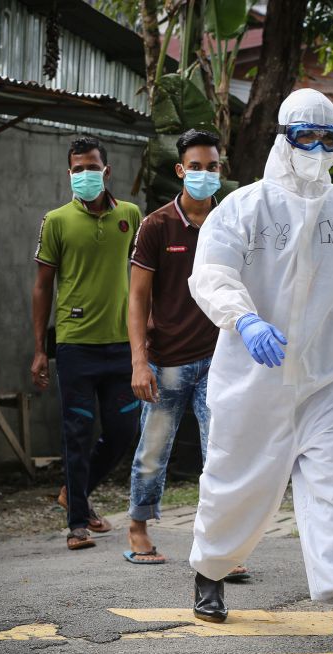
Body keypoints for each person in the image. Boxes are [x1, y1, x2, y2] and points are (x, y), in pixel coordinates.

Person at [186, 88, 333, 650]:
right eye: (308, 136)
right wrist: (245, 320)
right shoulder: (243, 207)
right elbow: (212, 274)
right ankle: (210, 574)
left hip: (329, 378)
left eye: (332, 139)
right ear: (284, 138)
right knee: (237, 480)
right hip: (253, 377)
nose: (320, 148)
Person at [123, 129, 250, 580]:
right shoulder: (157, 225)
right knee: (153, 450)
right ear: (180, 170)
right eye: (195, 167)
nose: (203, 174)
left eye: (211, 166)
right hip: (166, 362)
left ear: (221, 170)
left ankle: (222, 546)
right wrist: (140, 361)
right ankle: (138, 528)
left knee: (223, 453)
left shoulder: (233, 222)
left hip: (221, 362)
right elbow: (137, 298)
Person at [31, 136, 142, 551]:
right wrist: (41, 348)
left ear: (106, 171)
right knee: (76, 433)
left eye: (91, 168)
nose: (84, 175)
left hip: (121, 346)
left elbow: (143, 277)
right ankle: (77, 521)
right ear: (69, 174)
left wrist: (144, 338)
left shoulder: (130, 215)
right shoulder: (56, 220)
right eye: (77, 169)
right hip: (76, 346)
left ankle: (74, 492)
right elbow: (42, 287)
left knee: (122, 430)